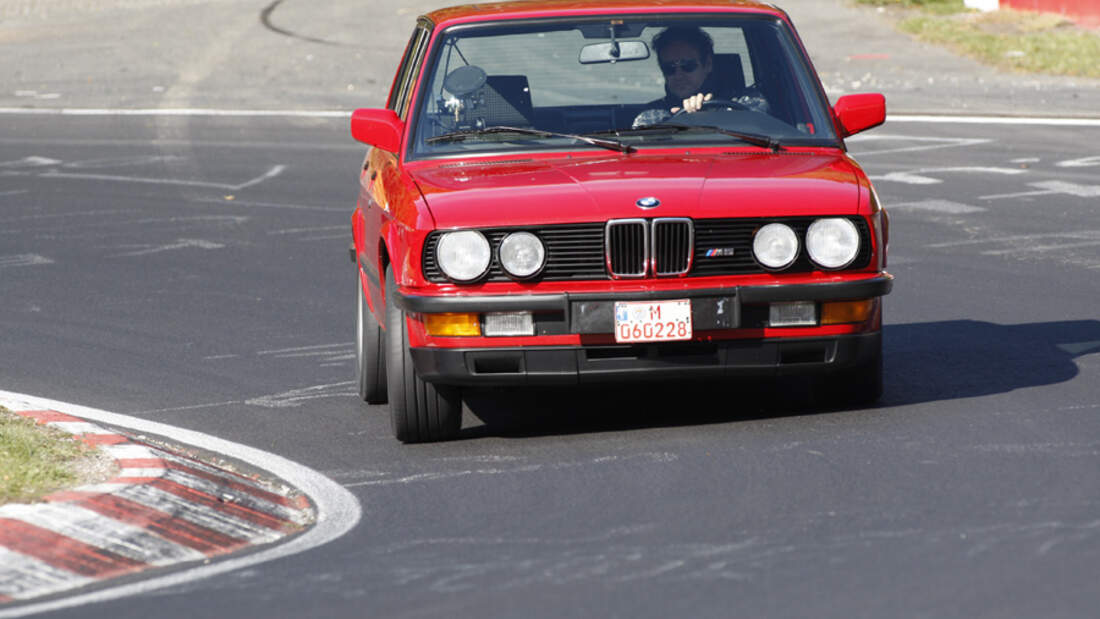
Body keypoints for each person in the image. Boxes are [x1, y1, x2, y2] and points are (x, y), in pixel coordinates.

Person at [633, 26, 768, 128]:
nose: (678, 75)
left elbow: (764, 129)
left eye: (688, 66)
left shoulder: (747, 101)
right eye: (670, 68)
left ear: (708, 64)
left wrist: (713, 115)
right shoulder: (652, 115)